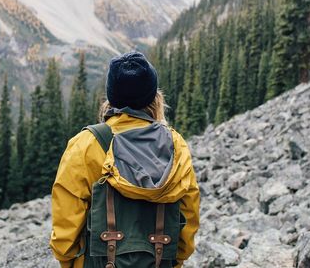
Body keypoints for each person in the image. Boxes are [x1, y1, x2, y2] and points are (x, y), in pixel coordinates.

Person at [50, 51, 200, 268]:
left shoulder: (85, 144)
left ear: (111, 97)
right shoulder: (176, 145)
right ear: (154, 97)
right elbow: (188, 213)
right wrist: (176, 260)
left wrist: (68, 262)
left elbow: (66, 224)